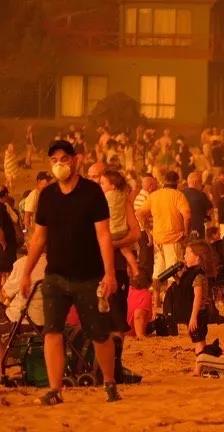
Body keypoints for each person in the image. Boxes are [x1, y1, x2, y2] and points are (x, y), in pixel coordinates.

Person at [19, 140, 121, 405]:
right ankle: (55, 389)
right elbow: (39, 237)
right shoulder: (47, 196)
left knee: (99, 333)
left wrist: (109, 273)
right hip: (55, 276)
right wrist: (26, 272)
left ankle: (109, 382)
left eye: (64, 159)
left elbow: (103, 235)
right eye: (54, 160)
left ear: (75, 160)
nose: (59, 164)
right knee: (52, 332)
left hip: (89, 277)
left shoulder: (92, 192)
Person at [136, 170, 191, 313]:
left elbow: (139, 213)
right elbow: (187, 215)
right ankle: (172, 304)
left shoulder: (154, 195)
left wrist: (148, 230)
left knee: (158, 272)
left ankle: (156, 305)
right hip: (174, 238)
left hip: (158, 239)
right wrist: (186, 232)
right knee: (174, 272)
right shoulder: (178, 195)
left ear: (163, 181)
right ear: (177, 182)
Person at [170, 241, 216, 365]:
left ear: (198, 257)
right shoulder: (189, 273)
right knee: (198, 339)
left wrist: (193, 317)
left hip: (198, 313)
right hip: (193, 313)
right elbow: (185, 289)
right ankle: (204, 363)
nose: (185, 256)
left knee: (199, 340)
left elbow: (197, 297)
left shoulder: (198, 275)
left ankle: (200, 365)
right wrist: (177, 278)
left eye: (188, 253)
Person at [100, 170, 139, 277]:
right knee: (126, 251)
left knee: (108, 250)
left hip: (111, 231)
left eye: (102, 183)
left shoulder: (105, 197)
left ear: (112, 186)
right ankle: (134, 268)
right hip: (122, 230)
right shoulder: (123, 196)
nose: (100, 186)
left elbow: (136, 233)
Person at [183, 172, 212, 239]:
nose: (202, 185)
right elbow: (210, 210)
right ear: (195, 182)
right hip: (198, 229)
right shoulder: (201, 195)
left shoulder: (181, 194)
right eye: (201, 182)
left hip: (183, 229)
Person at [126, 273, 152, 339]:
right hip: (131, 333)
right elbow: (138, 316)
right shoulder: (145, 294)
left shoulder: (127, 289)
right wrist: (140, 334)